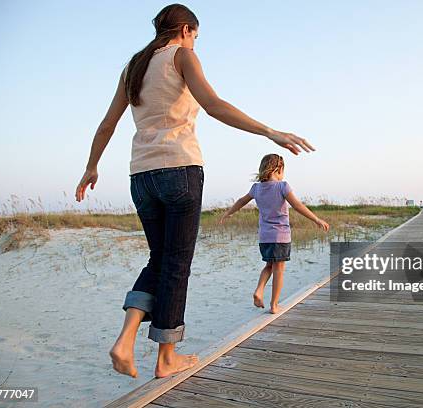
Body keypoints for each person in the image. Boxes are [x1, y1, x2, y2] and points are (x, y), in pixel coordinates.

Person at [74, 4, 315, 379]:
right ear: (185, 30)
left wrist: (91, 167)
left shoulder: (134, 66)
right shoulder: (181, 56)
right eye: (196, 37)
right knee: (175, 264)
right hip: (180, 169)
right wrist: (269, 131)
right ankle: (166, 358)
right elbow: (214, 105)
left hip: (141, 176)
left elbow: (108, 124)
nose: (196, 45)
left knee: (159, 259)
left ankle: (125, 341)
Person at [219, 154, 329, 314]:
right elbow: (297, 205)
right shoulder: (282, 186)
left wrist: (229, 212)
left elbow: (242, 201)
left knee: (269, 265)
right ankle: (274, 305)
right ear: (278, 169)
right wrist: (316, 219)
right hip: (281, 236)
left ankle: (259, 290)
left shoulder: (256, 188)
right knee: (279, 269)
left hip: (264, 237)